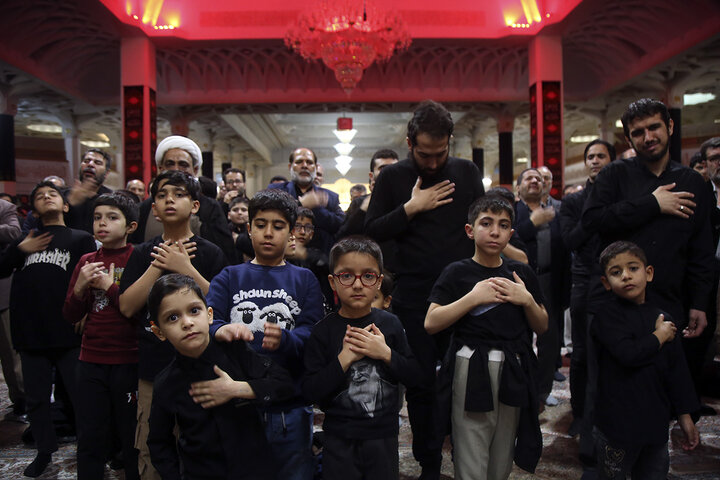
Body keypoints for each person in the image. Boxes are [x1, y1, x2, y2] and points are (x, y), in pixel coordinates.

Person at [365, 100, 485, 478]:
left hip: (464, 292)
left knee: (465, 380)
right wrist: (411, 207)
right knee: (419, 384)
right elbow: (372, 230)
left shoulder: (466, 172)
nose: (432, 163)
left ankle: (466, 458)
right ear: (409, 142)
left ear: (450, 142)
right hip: (414, 294)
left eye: (440, 153)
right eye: (423, 154)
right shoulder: (392, 178)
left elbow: (480, 225)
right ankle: (429, 463)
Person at [425, 195, 547, 479]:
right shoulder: (457, 272)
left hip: (513, 365)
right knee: (471, 443)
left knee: (503, 448)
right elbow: (431, 322)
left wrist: (526, 299)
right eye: (486, 223)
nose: (495, 231)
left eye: (503, 225)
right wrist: (472, 298)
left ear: (511, 234)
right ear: (470, 230)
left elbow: (542, 326)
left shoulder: (521, 273)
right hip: (471, 363)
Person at [206, 189, 324, 480]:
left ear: (292, 233)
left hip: (290, 405)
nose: (268, 233)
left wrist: (288, 339)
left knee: (293, 472)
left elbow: (313, 331)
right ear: (249, 229)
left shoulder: (304, 278)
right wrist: (222, 328)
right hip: (239, 403)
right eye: (260, 225)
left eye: (278, 226)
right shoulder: (230, 276)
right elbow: (209, 319)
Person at [119, 170, 228, 480]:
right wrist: (159, 263)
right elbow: (127, 306)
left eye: (178, 194)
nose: (169, 200)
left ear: (194, 205)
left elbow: (220, 305)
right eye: (162, 195)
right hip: (153, 366)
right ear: (153, 208)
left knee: (202, 445)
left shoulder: (210, 252)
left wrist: (185, 267)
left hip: (202, 367)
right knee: (153, 446)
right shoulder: (142, 253)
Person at [146, 274, 294, 479]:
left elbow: (284, 385)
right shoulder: (166, 382)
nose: (187, 323)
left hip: (255, 469)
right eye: (173, 317)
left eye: (194, 311)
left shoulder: (235, 351)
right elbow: (159, 443)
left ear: (209, 315)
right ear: (158, 331)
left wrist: (237, 389)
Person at [302, 236, 421, 480]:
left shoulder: (391, 324)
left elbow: (414, 375)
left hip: (383, 435)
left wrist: (385, 354)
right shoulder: (323, 331)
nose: (358, 285)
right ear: (333, 282)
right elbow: (310, 390)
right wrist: (343, 359)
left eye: (367, 276)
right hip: (339, 436)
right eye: (347, 276)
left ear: (379, 282)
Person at [0, 181, 97, 477]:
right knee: (37, 398)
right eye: (40, 196)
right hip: (31, 332)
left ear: (65, 205)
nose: (46, 197)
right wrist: (20, 249)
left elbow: (92, 276)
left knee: (81, 395)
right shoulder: (27, 238)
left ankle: (90, 448)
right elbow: (2, 268)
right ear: (34, 208)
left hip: (68, 330)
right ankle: (44, 450)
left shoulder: (80, 238)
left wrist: (87, 312)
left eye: (52, 194)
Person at [592, 241, 699, 479]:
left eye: (633, 268)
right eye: (616, 272)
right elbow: (627, 354)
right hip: (616, 424)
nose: (626, 276)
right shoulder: (606, 317)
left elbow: (677, 371)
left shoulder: (663, 318)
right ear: (606, 283)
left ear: (648, 273)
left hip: (654, 423)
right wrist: (658, 336)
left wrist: (684, 414)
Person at [63, 193, 140, 480]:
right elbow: (71, 315)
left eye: (111, 217)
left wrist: (109, 286)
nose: (102, 224)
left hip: (128, 358)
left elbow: (138, 311)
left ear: (130, 226)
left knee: (130, 435)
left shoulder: (137, 257)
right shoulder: (86, 260)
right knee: (91, 435)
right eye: (97, 217)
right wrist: (81, 287)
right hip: (91, 358)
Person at [559, 139, 615, 437]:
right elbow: (570, 240)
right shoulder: (574, 202)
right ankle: (580, 413)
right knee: (580, 353)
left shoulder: (622, 195)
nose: (595, 161)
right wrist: (597, 216)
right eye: (590, 156)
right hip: (583, 278)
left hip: (617, 281)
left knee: (613, 350)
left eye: (601, 156)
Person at [130, 135, 235, 263]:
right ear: (161, 169)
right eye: (170, 164)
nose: (176, 170)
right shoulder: (145, 208)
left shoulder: (209, 207)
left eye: (183, 165)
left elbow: (225, 255)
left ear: (195, 170)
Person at [514, 167, 570, 407]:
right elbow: (509, 240)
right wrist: (531, 223)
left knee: (550, 341)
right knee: (521, 339)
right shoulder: (514, 212)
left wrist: (566, 291)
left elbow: (565, 253)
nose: (534, 180)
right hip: (521, 281)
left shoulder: (556, 212)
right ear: (519, 188)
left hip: (550, 281)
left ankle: (542, 390)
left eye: (538, 178)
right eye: (528, 178)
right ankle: (521, 388)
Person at [268, 148, 345, 254]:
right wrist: (300, 204)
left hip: (320, 260)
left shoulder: (330, 197)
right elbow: (270, 217)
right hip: (281, 257)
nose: (304, 165)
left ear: (315, 167)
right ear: (290, 167)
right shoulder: (275, 190)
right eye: (299, 162)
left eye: (309, 162)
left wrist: (316, 208)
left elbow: (341, 227)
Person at [0, 196, 24, 422]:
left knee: (11, 355)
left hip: (2, 294)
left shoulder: (5, 207)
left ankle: (21, 401)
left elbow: (13, 233)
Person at [286, 207, 333, 313]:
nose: (302, 232)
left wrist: (305, 255)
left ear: (312, 233)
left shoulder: (315, 255)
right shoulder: (277, 253)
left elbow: (329, 265)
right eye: (297, 226)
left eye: (307, 228)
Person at [66, 149, 114, 234]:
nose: (90, 164)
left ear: (106, 173)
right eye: (86, 161)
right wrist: (71, 203)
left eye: (97, 163)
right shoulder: (63, 196)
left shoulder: (112, 199)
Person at [228, 196, 253, 263]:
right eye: (235, 210)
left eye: (244, 210)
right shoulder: (225, 232)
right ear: (229, 215)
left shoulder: (255, 231)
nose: (239, 213)